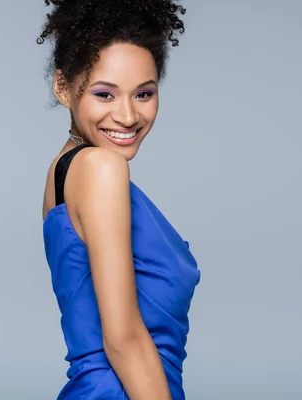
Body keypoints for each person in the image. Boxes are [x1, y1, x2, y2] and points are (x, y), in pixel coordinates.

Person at [38, 1, 200, 398]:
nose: (128, 116)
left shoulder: (64, 170)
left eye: (143, 94)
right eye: (105, 95)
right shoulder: (101, 170)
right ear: (63, 87)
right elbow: (123, 340)